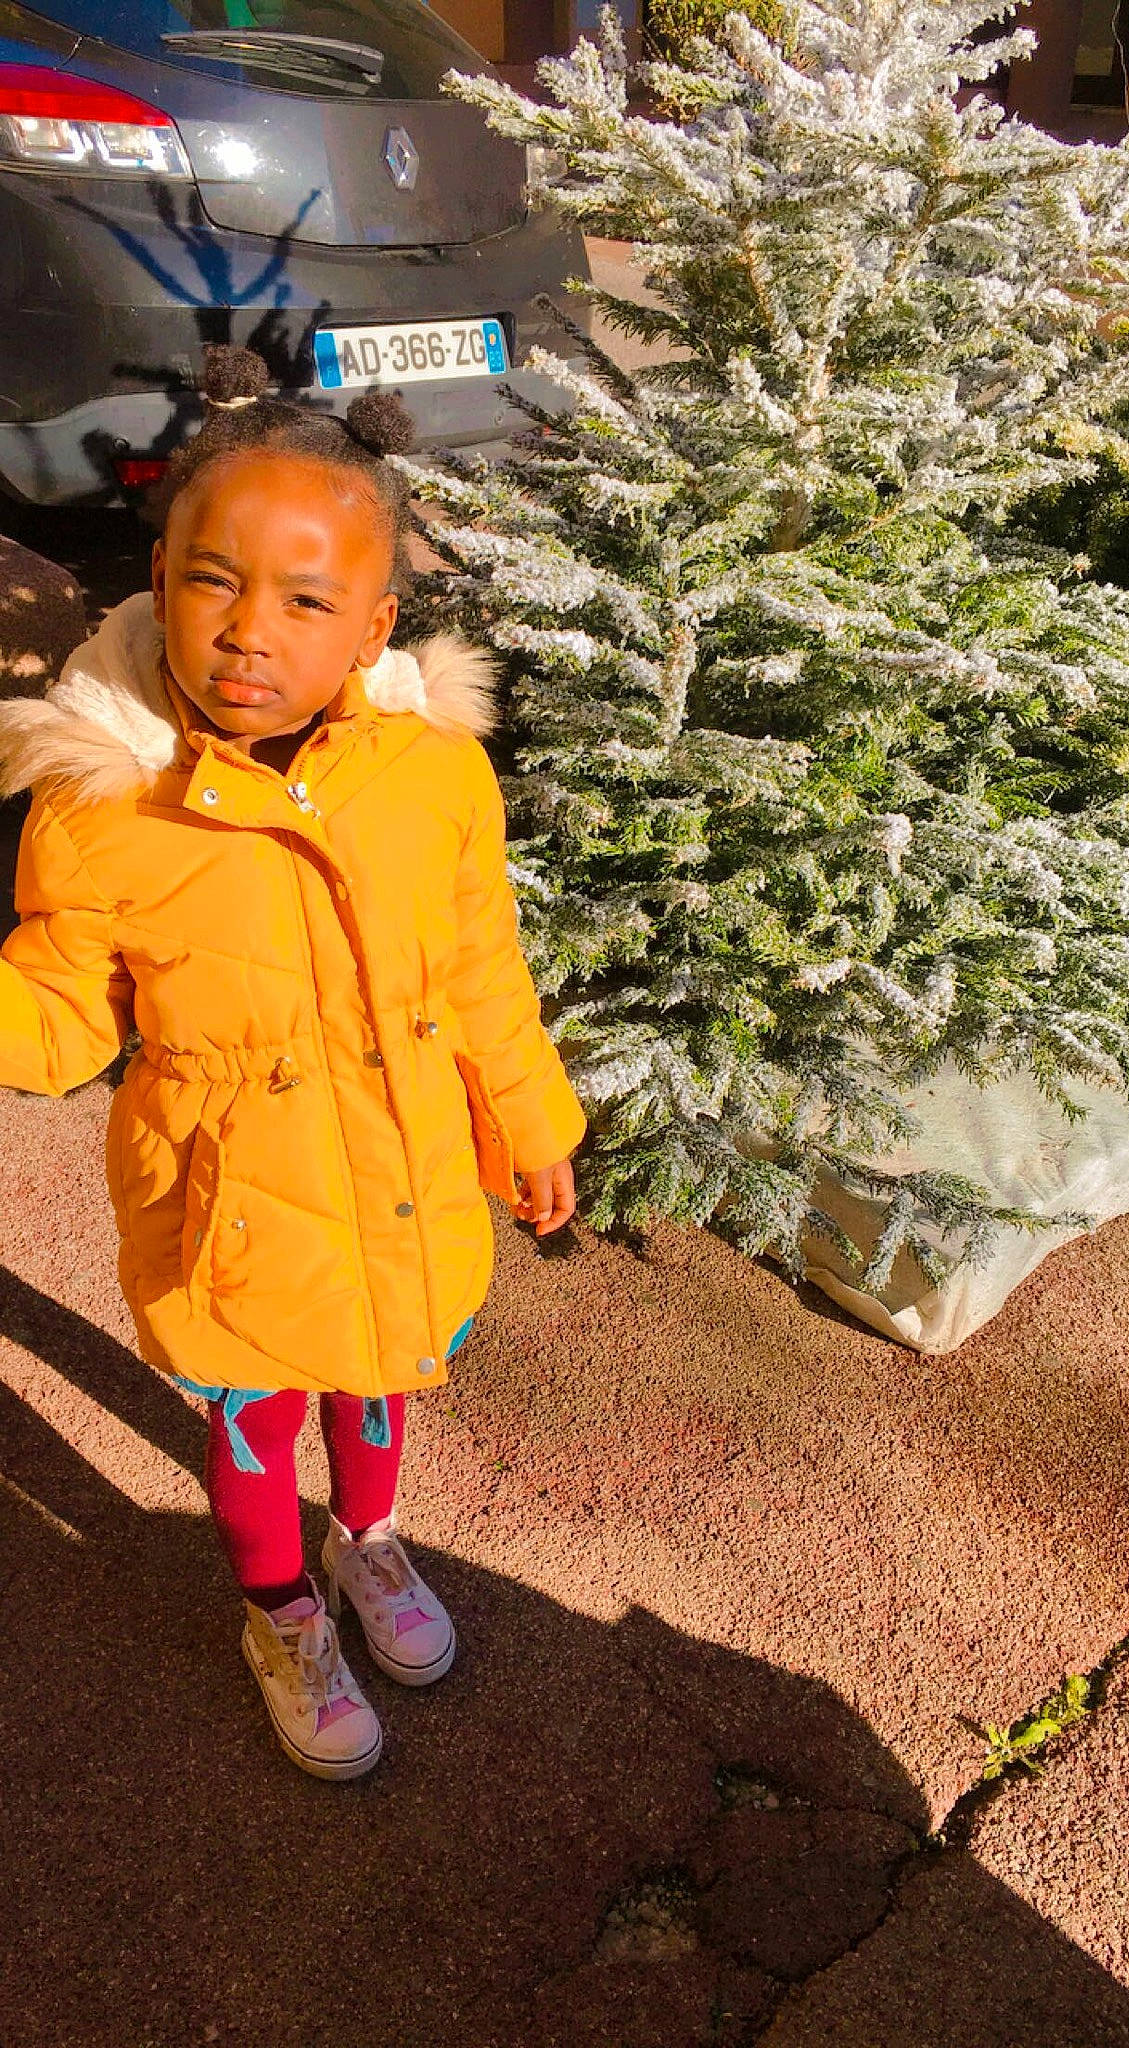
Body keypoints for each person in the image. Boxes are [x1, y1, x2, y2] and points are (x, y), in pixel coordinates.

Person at [0, 345, 585, 1781]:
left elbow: (476, 965)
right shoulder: (99, 804)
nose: (247, 632)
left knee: (377, 1380)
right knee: (258, 1410)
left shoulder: (433, 773)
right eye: (213, 579)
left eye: (305, 601)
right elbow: (62, 1014)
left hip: (399, 1174)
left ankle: (369, 1544)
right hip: (233, 1198)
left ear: (372, 622)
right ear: (159, 571)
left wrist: (529, 1119)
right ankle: (279, 1611)